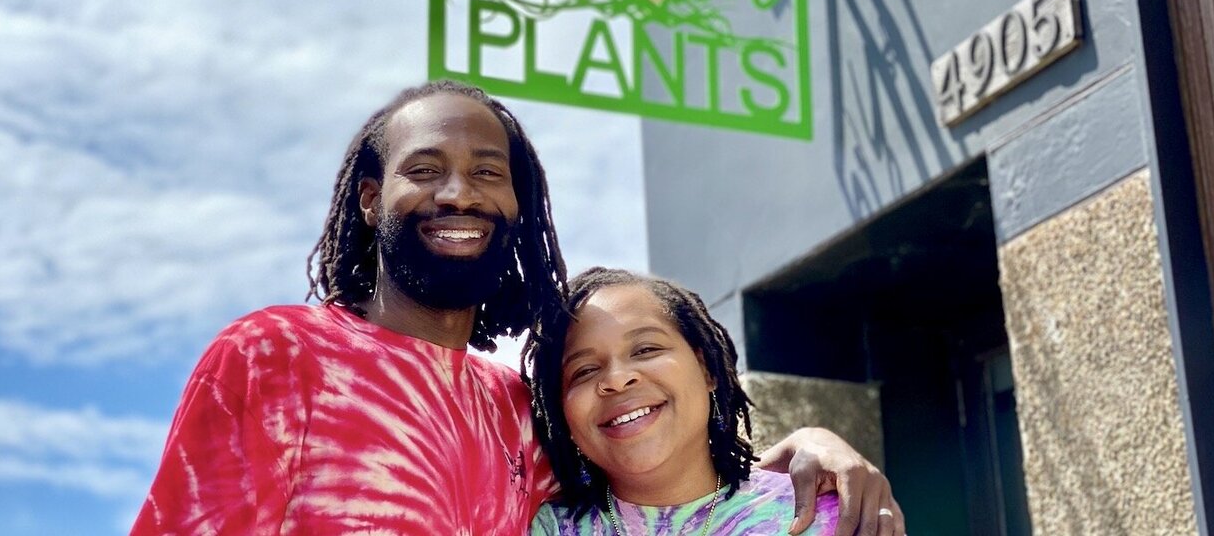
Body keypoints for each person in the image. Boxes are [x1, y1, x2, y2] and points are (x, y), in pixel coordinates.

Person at [132, 80, 905, 535]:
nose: (458, 193)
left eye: (486, 172)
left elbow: (663, 475)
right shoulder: (276, 354)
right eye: (424, 169)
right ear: (371, 201)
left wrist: (808, 445)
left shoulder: (516, 407)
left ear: (518, 200)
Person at [526, 267, 865, 536]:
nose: (616, 379)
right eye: (584, 370)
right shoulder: (551, 529)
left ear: (706, 371)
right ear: (560, 414)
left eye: (646, 350)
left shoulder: (824, 516)